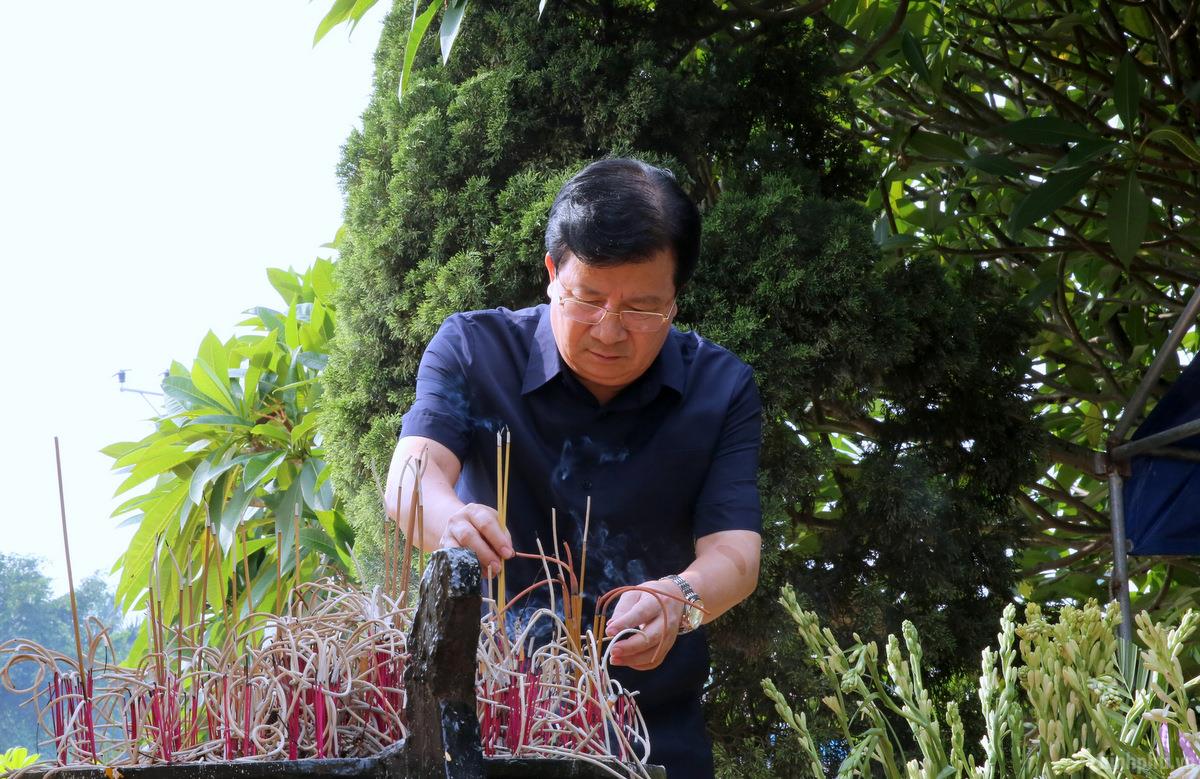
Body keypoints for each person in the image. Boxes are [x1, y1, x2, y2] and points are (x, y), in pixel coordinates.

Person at [385, 157, 762, 777]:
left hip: (650, 736)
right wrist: (450, 522)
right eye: (587, 299)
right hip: (488, 724)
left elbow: (736, 553)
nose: (609, 331)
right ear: (551, 274)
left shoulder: (721, 389)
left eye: (642, 309)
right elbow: (412, 477)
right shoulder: (474, 350)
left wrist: (682, 598)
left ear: (675, 300)